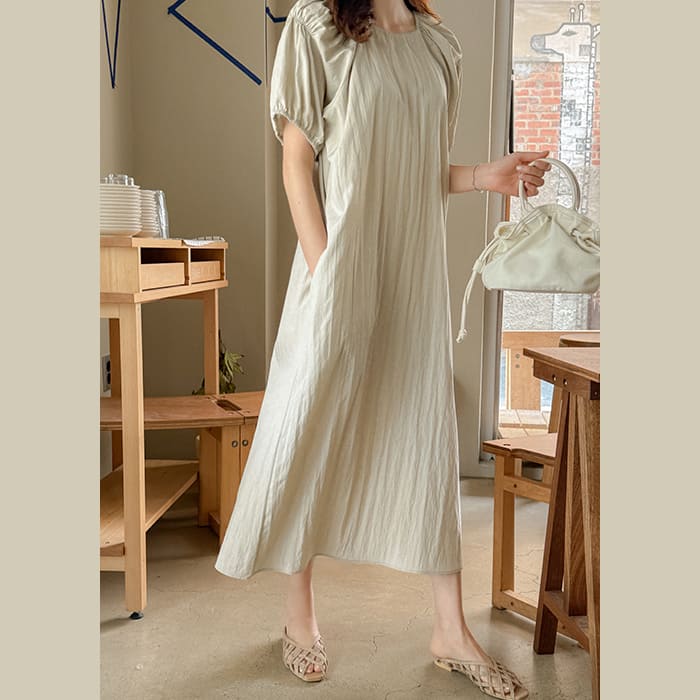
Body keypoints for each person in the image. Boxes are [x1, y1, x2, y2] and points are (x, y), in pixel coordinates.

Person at [215, 1, 549, 697]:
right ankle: (299, 617)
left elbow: (412, 166)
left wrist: (485, 176)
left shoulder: (437, 46)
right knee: (309, 429)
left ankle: (449, 630)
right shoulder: (317, 26)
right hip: (336, 271)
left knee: (425, 433)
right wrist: (326, 273)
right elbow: (297, 165)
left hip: (411, 277)